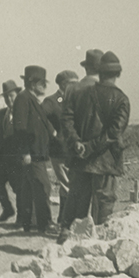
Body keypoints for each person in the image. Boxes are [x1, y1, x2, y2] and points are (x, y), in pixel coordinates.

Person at [58, 51, 129, 244]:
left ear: (99, 71)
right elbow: (113, 133)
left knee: (76, 200)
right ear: (119, 74)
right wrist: (90, 147)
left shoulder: (78, 93)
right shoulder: (122, 100)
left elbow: (66, 120)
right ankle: (99, 244)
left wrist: (78, 144)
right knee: (104, 203)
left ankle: (67, 240)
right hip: (105, 161)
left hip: (80, 159)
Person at [56, 49, 104, 233]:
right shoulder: (107, 90)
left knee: (76, 196)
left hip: (77, 153)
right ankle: (98, 237)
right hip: (100, 153)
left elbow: (66, 122)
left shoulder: (72, 89)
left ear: (86, 68)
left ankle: (67, 232)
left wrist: (76, 143)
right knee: (101, 199)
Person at [12, 65, 57, 234]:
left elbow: (40, 122)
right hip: (32, 154)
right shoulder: (23, 99)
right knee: (42, 186)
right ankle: (45, 224)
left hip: (36, 153)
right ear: (32, 83)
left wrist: (52, 131)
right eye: (41, 83)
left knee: (31, 188)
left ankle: (29, 224)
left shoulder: (30, 99)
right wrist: (25, 152)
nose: (44, 86)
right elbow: (20, 128)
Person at [42, 70, 79, 225]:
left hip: (75, 151)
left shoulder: (77, 100)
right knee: (67, 186)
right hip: (60, 151)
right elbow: (40, 116)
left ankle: (64, 220)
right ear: (64, 84)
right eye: (74, 83)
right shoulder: (52, 101)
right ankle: (66, 222)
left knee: (71, 187)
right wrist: (53, 133)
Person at [0, 79, 23, 222]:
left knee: (19, 186)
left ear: (17, 96)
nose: (9, 100)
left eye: (12, 96)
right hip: (4, 156)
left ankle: (23, 217)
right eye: (6, 97)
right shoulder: (1, 114)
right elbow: (0, 136)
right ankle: (8, 209)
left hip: (18, 157)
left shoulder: (24, 112)